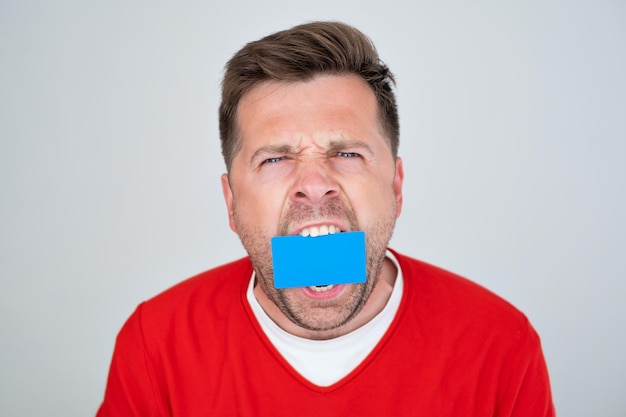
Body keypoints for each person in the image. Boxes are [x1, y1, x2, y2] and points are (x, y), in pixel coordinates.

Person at [96, 21, 555, 416]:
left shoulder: (500, 344)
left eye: (348, 153)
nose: (314, 185)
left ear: (396, 186)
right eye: (275, 159)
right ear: (231, 202)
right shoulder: (156, 345)